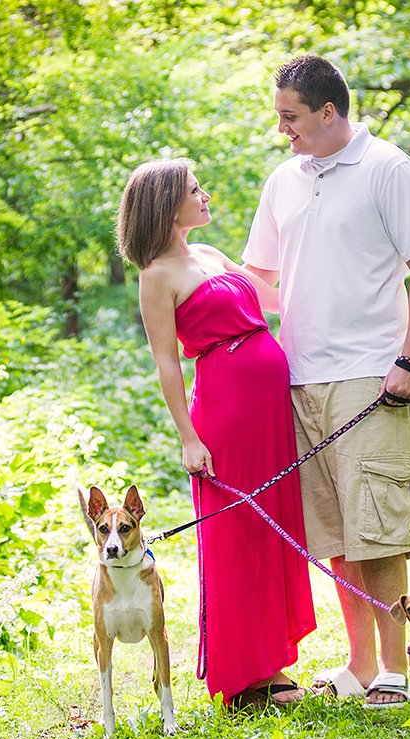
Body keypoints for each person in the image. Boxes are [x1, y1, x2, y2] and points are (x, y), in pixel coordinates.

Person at [242, 55, 410, 707]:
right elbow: (261, 281)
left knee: (378, 528)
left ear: (329, 113)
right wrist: (191, 269)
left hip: (372, 377)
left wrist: (409, 361)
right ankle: (358, 666)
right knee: (333, 533)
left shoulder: (388, 168)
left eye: (291, 117)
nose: (284, 131)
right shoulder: (284, 181)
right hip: (299, 379)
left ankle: (395, 668)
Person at [117, 158, 317, 709]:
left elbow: (273, 298)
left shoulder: (209, 254)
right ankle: (246, 677)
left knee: (272, 528)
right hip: (225, 417)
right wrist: (188, 437)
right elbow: (166, 364)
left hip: (269, 412)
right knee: (239, 536)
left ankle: (272, 664)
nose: (206, 196)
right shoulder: (156, 276)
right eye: (194, 190)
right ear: (166, 205)